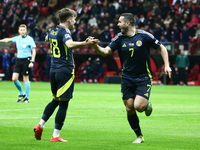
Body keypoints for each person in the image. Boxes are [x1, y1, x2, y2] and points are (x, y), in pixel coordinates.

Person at [91, 13, 171, 143]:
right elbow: (105, 52)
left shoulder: (144, 36)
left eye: (120, 22)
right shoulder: (119, 38)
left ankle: (146, 105)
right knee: (129, 108)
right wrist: (94, 46)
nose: (117, 24)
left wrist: (167, 65)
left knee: (138, 107)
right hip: (127, 78)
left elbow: (161, 47)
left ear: (127, 23)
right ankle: (139, 136)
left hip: (143, 77)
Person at [33, 8, 98, 142]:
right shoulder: (65, 31)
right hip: (65, 70)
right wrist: (86, 43)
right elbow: (69, 44)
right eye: (74, 19)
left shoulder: (52, 30)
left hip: (53, 70)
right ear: (69, 19)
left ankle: (40, 125)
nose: (75, 21)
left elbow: (46, 39)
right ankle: (55, 136)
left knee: (55, 100)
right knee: (64, 104)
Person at [0, 24, 36, 103]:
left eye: (24, 30)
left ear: (26, 31)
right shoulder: (17, 38)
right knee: (14, 78)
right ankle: (21, 93)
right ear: (19, 31)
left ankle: (27, 97)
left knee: (25, 79)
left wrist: (32, 61)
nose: (22, 31)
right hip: (19, 60)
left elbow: (34, 51)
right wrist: (1, 40)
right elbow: (7, 40)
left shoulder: (30, 39)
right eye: (21, 30)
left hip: (27, 59)